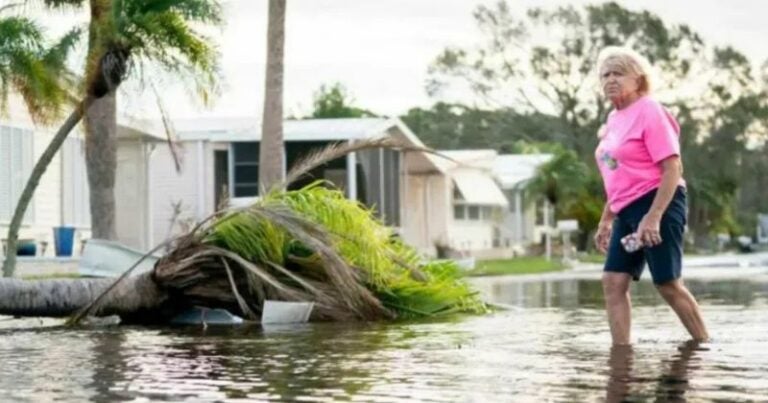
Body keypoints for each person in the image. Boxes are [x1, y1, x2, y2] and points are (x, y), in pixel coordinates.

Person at [593, 46, 709, 345]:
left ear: (638, 79)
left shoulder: (650, 110)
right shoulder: (613, 119)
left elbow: (672, 168)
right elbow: (619, 175)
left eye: (619, 73)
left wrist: (653, 216)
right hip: (626, 208)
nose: (610, 80)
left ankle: (705, 345)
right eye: (605, 74)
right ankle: (622, 354)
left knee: (667, 283)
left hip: (659, 201)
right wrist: (606, 220)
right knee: (613, 281)